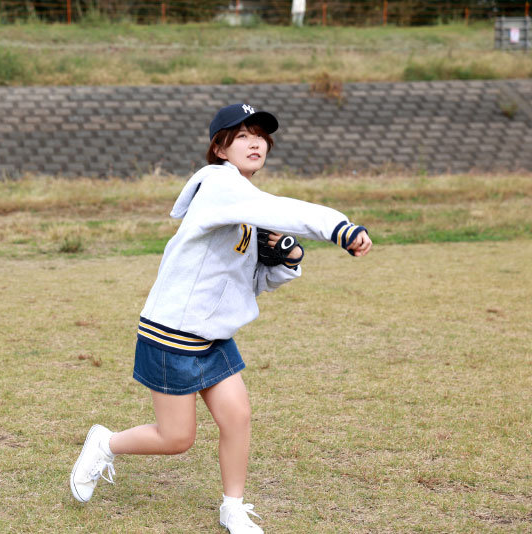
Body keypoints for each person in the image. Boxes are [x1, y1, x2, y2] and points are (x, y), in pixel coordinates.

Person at [69, 103, 372, 534]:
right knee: (176, 439)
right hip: (172, 333)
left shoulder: (246, 207)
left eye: (260, 135)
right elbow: (285, 209)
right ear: (220, 148)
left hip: (213, 336)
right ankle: (105, 443)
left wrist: (286, 260)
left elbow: (251, 284)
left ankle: (233, 508)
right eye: (242, 135)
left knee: (237, 417)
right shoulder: (218, 184)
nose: (255, 142)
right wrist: (340, 228)